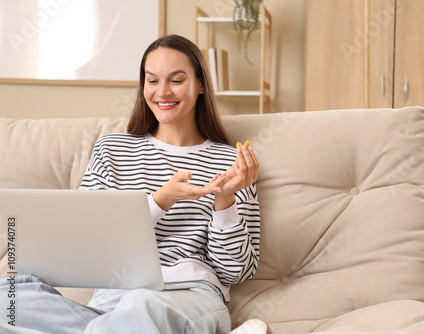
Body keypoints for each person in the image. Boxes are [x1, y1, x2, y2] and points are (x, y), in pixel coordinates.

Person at [0, 34, 266, 334]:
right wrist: (158, 202)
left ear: (201, 84)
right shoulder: (111, 150)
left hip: (189, 296)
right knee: (9, 297)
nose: (162, 91)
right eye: (152, 81)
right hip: (112, 300)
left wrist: (225, 203)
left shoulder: (231, 161)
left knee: (141, 307)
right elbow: (89, 242)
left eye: (176, 80)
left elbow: (236, 270)